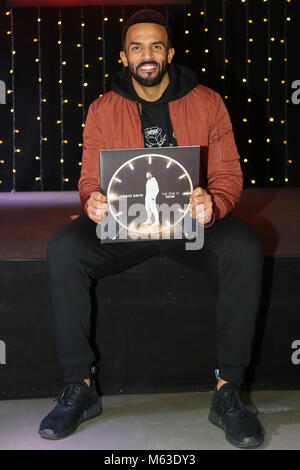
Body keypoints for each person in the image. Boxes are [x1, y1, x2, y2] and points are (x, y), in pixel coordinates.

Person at [39, 9, 265, 448]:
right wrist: (94, 202)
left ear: (170, 53)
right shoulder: (102, 108)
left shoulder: (208, 101)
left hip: (190, 227)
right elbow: (89, 179)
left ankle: (228, 392)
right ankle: (79, 387)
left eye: (156, 46)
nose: (147, 55)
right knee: (64, 250)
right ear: (125, 57)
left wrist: (213, 204)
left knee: (245, 246)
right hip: (125, 228)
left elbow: (228, 174)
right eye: (137, 47)